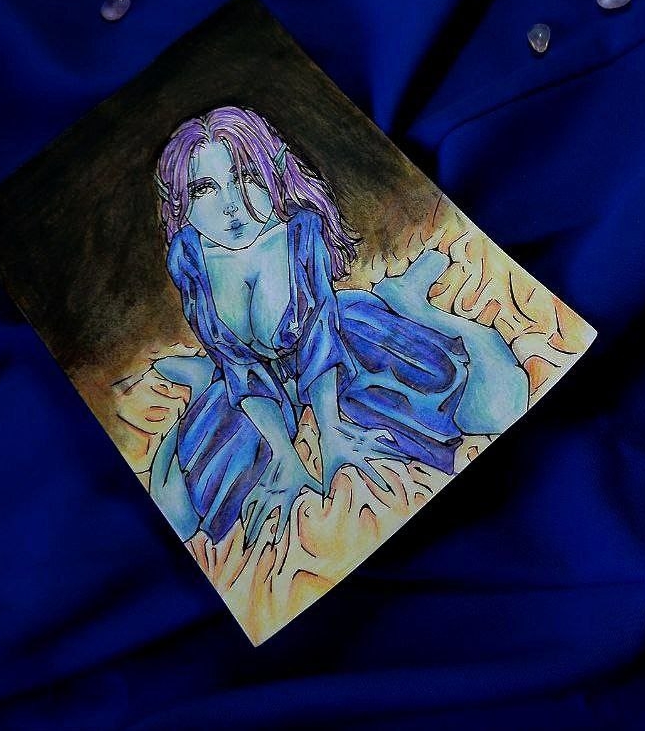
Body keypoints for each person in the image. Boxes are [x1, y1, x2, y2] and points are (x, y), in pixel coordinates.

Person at [148, 105, 471, 546]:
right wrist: (286, 456)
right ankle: (204, 377)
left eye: (246, 177)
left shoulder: (300, 232)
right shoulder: (188, 257)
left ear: (275, 171)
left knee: (435, 389)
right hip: (257, 380)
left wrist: (331, 433)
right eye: (204, 188)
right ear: (180, 203)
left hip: (334, 347)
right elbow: (237, 363)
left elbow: (320, 341)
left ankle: (400, 298)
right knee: (187, 501)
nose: (231, 207)